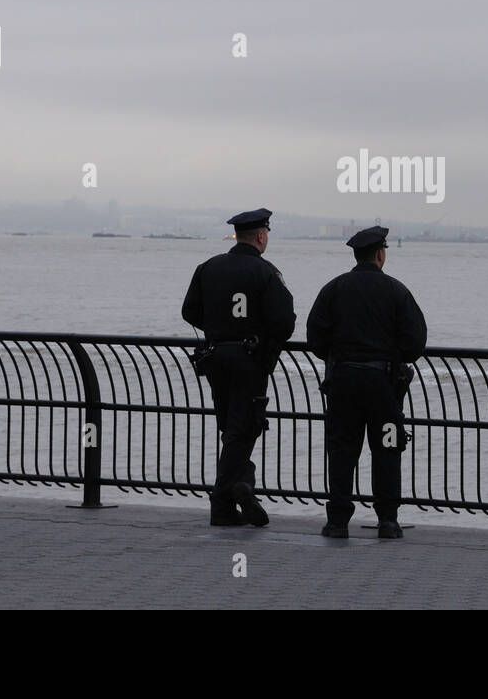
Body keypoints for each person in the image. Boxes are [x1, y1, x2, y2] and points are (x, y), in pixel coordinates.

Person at [306, 225, 427, 539]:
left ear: (356, 255)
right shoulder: (397, 291)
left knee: (343, 449)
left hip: (343, 381)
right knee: (387, 447)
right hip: (384, 386)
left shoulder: (333, 288)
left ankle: (337, 522)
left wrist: (338, 357)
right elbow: (416, 343)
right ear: (380, 254)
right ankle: (387, 520)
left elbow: (315, 338)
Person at [182, 208, 295, 526]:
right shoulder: (266, 272)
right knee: (243, 428)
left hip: (216, 356)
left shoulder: (208, 267)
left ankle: (242, 486)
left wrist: (218, 327)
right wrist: (262, 342)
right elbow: (284, 321)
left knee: (230, 428)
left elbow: (189, 311)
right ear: (261, 236)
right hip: (250, 359)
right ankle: (222, 502)